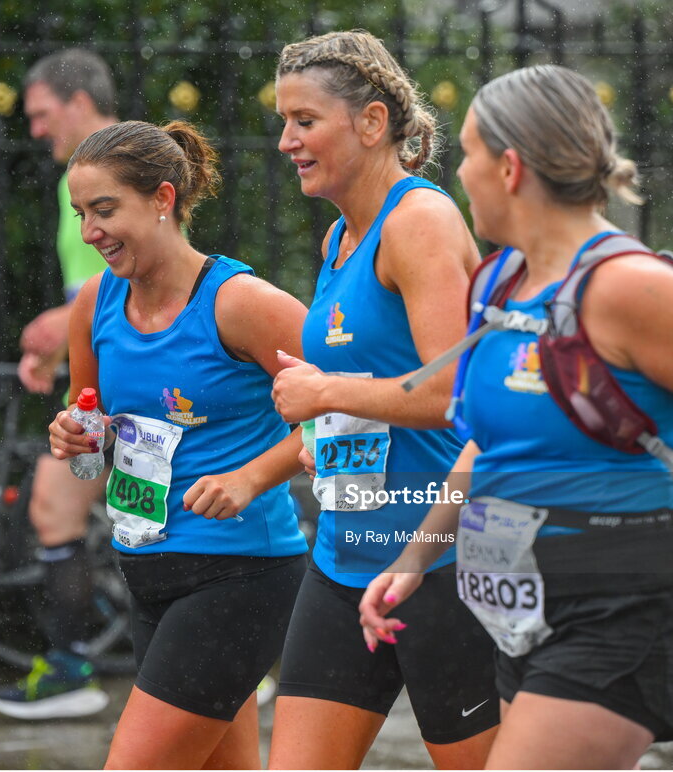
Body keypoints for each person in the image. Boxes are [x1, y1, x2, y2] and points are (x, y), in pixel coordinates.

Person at [357, 64, 673, 769]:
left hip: (616, 607)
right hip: (520, 608)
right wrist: (412, 561)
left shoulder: (630, 285)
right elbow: (484, 448)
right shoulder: (501, 281)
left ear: (509, 167)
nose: (458, 173)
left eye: (468, 153)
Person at [268, 30, 499, 769]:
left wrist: (323, 390)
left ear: (371, 123)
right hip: (343, 561)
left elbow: (453, 395)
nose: (285, 140)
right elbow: (376, 387)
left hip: (438, 562)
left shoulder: (419, 222)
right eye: (284, 121)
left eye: (305, 121)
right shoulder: (340, 237)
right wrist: (324, 430)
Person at [48, 119, 309, 768]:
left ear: (163, 199)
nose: (90, 233)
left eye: (106, 210)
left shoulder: (240, 303)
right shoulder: (94, 307)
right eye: (81, 214)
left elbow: (348, 411)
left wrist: (251, 477)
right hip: (145, 571)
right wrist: (78, 438)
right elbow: (92, 443)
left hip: (240, 573)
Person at [0, 48, 117, 719]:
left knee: (68, 507)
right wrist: (61, 346)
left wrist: (59, 323)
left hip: (138, 390)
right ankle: (74, 669)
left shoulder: (122, 166)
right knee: (64, 510)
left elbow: (144, 275)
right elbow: (98, 299)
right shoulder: (84, 173)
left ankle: (75, 669)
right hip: (107, 384)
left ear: (77, 102)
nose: (35, 129)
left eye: (41, 114)